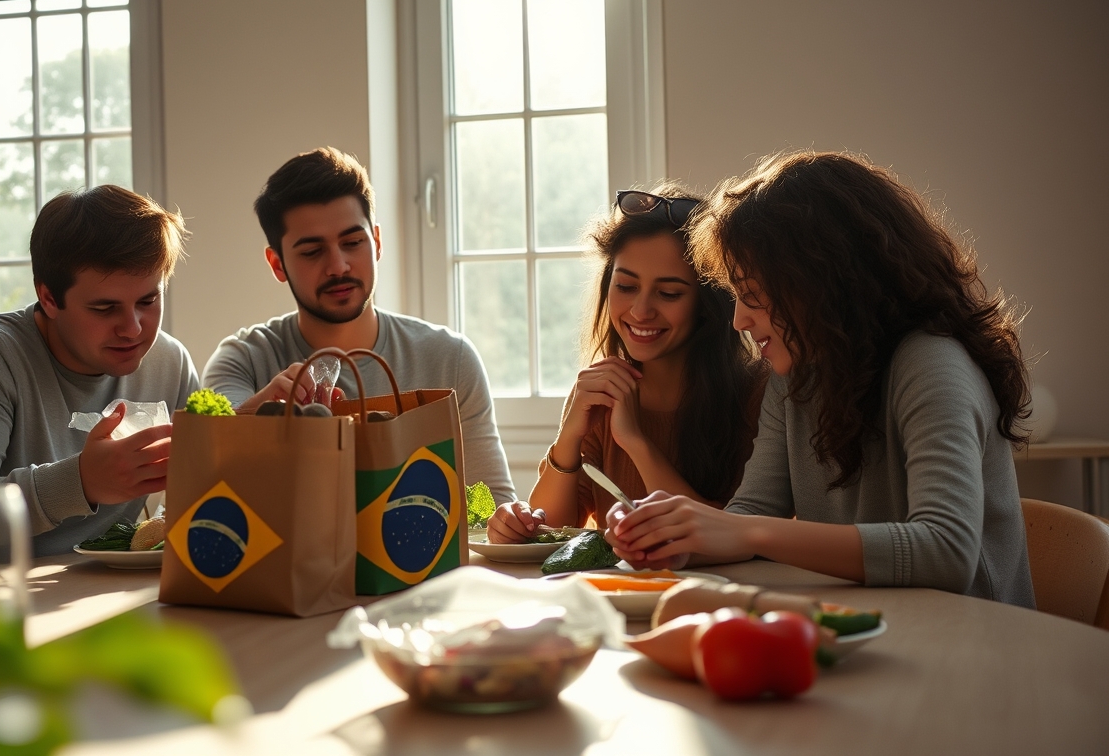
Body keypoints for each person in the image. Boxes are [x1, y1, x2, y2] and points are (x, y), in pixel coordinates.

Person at [605, 151, 1036, 607]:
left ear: (822, 283)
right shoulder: (795, 378)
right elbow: (750, 514)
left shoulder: (931, 364)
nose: (739, 321)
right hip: (875, 630)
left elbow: (945, 553)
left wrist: (742, 530)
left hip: (976, 645)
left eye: (752, 296)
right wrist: (675, 537)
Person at [0, 185, 200, 584]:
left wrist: (251, 432)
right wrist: (81, 482)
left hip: (73, 599)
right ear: (48, 298)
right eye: (104, 308)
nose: (133, 328)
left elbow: (204, 485)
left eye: (148, 301)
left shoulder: (168, 363)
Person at [203, 147, 516, 505]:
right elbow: (209, 474)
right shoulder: (242, 359)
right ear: (277, 264)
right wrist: (261, 415)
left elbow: (493, 508)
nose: (338, 266)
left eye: (352, 243)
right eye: (311, 252)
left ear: (377, 242)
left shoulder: (451, 358)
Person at [488, 183, 766, 543]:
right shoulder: (602, 391)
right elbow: (549, 532)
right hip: (619, 596)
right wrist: (568, 437)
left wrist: (636, 442)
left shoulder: (757, 394)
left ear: (708, 304)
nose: (640, 311)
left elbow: (731, 537)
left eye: (669, 293)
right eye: (626, 286)